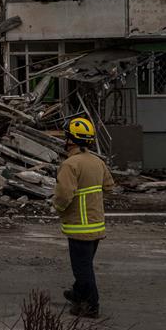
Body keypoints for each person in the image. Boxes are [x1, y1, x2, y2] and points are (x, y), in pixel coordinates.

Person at [52, 117, 115, 318]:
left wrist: (59, 209)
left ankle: (91, 304)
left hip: (79, 227)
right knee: (85, 264)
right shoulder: (98, 162)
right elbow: (109, 187)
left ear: (71, 140)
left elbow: (63, 195)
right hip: (96, 226)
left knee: (82, 269)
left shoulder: (70, 165)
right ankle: (77, 294)